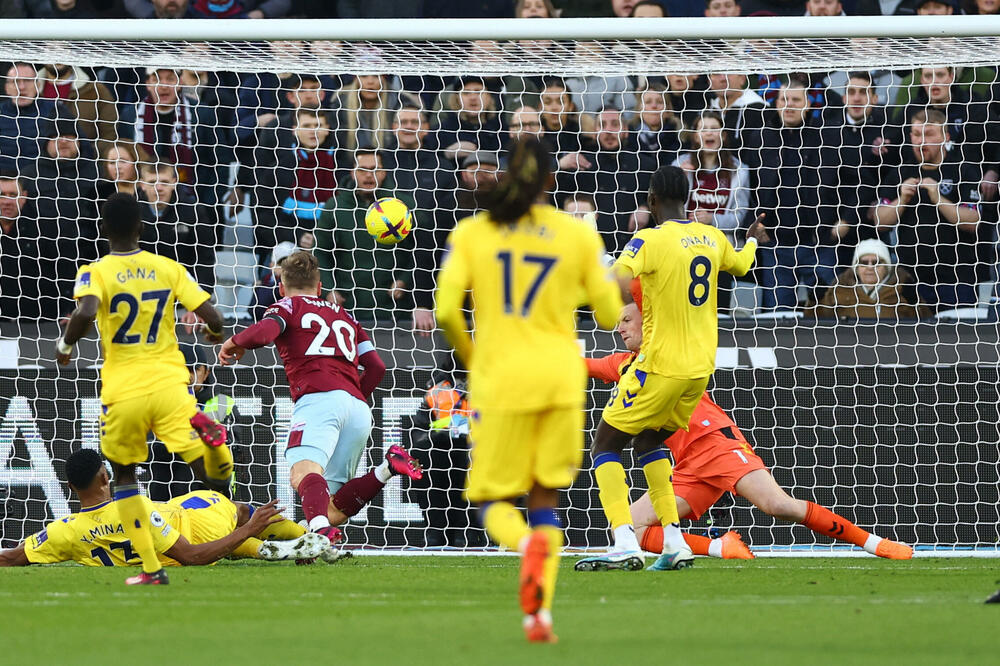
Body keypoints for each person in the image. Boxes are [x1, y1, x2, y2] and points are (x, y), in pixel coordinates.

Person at [435, 137, 622, 643]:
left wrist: (475, 362)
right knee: (546, 500)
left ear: (500, 176)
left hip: (500, 381)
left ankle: (523, 546)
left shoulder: (473, 232)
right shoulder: (576, 234)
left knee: (493, 498)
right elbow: (608, 314)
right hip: (561, 379)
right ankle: (537, 615)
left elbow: (446, 311)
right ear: (551, 180)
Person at [590, 302, 915, 560]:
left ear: (649, 323)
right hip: (687, 464)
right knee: (629, 526)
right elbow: (583, 365)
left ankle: (874, 543)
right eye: (618, 322)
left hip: (715, 443)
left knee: (778, 506)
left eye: (626, 321)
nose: (619, 329)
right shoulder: (622, 364)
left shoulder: (674, 350)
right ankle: (720, 547)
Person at [574, 165, 767, 573]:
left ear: (651, 199)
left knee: (605, 445)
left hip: (659, 366)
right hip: (699, 371)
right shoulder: (712, 236)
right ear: (689, 197)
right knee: (648, 444)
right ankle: (675, 541)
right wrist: (750, 240)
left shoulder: (648, 239)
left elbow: (615, 281)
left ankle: (624, 539)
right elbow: (743, 265)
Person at [55, 193, 234, 585]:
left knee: (124, 477)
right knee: (213, 477)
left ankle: (152, 570)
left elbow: (85, 312)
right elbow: (214, 318)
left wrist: (65, 346)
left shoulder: (94, 271)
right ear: (141, 226)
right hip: (171, 384)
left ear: (103, 229)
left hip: (124, 391)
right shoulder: (168, 267)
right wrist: (212, 332)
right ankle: (215, 442)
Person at [218, 252, 423, 547]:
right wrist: (350, 397)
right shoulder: (345, 316)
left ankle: (318, 532)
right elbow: (378, 367)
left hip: (318, 399)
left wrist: (233, 341)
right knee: (331, 509)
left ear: (280, 287)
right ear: (319, 287)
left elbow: (265, 333)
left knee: (303, 473)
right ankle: (388, 468)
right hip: (356, 408)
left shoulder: (286, 305)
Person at [0, 448, 329, 568]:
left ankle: (267, 548)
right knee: (239, 511)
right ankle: (310, 540)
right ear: (105, 475)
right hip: (193, 525)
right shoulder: (135, 507)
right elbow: (191, 556)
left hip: (171, 510)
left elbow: (11, 557)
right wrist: (249, 527)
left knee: (229, 529)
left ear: (70, 487)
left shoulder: (65, 532)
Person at [874, 109, 986, 309]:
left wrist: (938, 198)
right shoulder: (900, 172)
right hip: (911, 278)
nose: (921, 141)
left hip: (956, 278)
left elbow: (973, 221)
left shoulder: (964, 169)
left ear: (946, 136)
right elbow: (880, 222)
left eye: (929, 134)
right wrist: (902, 199)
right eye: (917, 134)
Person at [314, 149, 417, 321]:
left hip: (394, 308)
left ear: (384, 172)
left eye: (375, 169)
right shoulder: (334, 207)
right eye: (362, 169)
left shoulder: (403, 205)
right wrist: (329, 290)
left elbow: (420, 250)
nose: (369, 175)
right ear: (353, 173)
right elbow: (320, 252)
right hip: (348, 306)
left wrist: (404, 280)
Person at [672, 112, 751, 311]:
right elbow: (668, 213)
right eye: (703, 129)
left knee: (719, 310)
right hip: (684, 249)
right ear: (695, 136)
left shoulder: (740, 170)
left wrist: (712, 219)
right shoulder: (679, 165)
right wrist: (678, 181)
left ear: (723, 135)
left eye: (714, 128)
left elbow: (739, 216)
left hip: (721, 252)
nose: (709, 133)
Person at [813, 239, 924, 319]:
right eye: (864, 263)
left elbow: (926, 324)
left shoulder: (903, 289)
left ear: (886, 268)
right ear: (856, 268)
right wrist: (815, 301)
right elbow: (818, 323)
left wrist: (915, 303)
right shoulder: (839, 289)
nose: (870, 267)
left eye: (876, 262)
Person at [0, 62, 55, 171]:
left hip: (45, 182)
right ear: (6, 88)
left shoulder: (55, 111)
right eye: (15, 81)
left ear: (38, 85)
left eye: (27, 81)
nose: (21, 87)